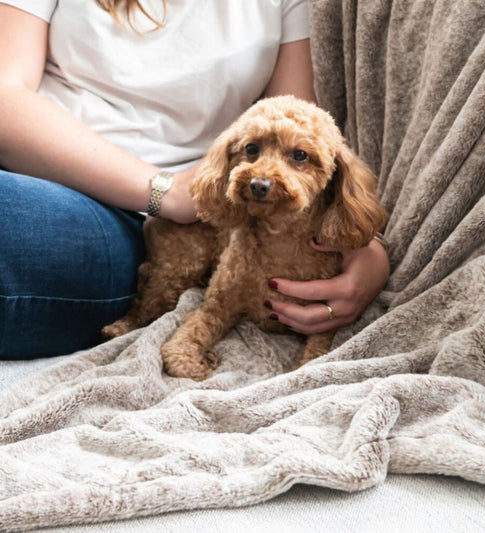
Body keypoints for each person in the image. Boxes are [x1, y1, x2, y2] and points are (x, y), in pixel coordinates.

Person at [0, 0, 390, 359]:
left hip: (136, 225)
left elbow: (298, 135)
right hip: (40, 179)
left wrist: (362, 245)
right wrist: (165, 190)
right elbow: (5, 97)